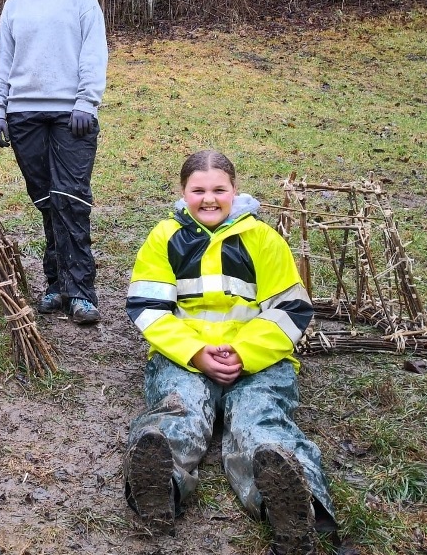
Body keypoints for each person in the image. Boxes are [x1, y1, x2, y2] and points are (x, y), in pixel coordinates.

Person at [123, 150, 338, 555]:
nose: (209, 199)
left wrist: (244, 354)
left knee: (261, 422)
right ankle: (160, 489)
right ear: (182, 192)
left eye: (219, 190)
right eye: (198, 190)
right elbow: (148, 307)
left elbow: (291, 309)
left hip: (258, 362)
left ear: (235, 191)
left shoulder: (263, 240)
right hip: (183, 358)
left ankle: (294, 508)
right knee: (178, 409)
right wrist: (195, 353)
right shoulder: (164, 237)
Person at [0, 0, 107, 325]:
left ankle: (82, 291)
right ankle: (56, 284)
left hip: (70, 114)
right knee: (45, 200)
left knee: (70, 197)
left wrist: (87, 101)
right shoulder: (13, 6)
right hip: (24, 116)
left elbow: (94, 49)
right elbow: (4, 61)